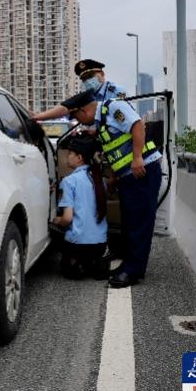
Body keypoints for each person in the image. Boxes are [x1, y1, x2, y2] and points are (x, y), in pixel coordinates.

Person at [60, 90, 162, 288]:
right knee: (130, 222)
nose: (80, 121)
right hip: (127, 176)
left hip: (142, 170)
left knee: (139, 222)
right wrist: (114, 176)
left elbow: (137, 125)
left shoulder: (113, 108)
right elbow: (115, 149)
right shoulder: (101, 122)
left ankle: (133, 271)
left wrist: (138, 157)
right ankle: (129, 265)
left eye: (77, 116)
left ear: (84, 110)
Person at [52, 136, 109, 280]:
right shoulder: (100, 180)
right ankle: (92, 262)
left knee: (55, 226)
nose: (67, 156)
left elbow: (67, 218)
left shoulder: (69, 181)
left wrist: (56, 220)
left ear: (79, 157)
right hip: (100, 244)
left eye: (70, 153)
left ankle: (76, 263)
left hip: (78, 246)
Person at [31, 59, 129, 121]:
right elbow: (64, 112)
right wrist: (40, 116)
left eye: (91, 76)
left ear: (102, 74)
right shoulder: (85, 96)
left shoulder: (116, 91)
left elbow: (124, 117)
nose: (88, 81)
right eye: (84, 79)